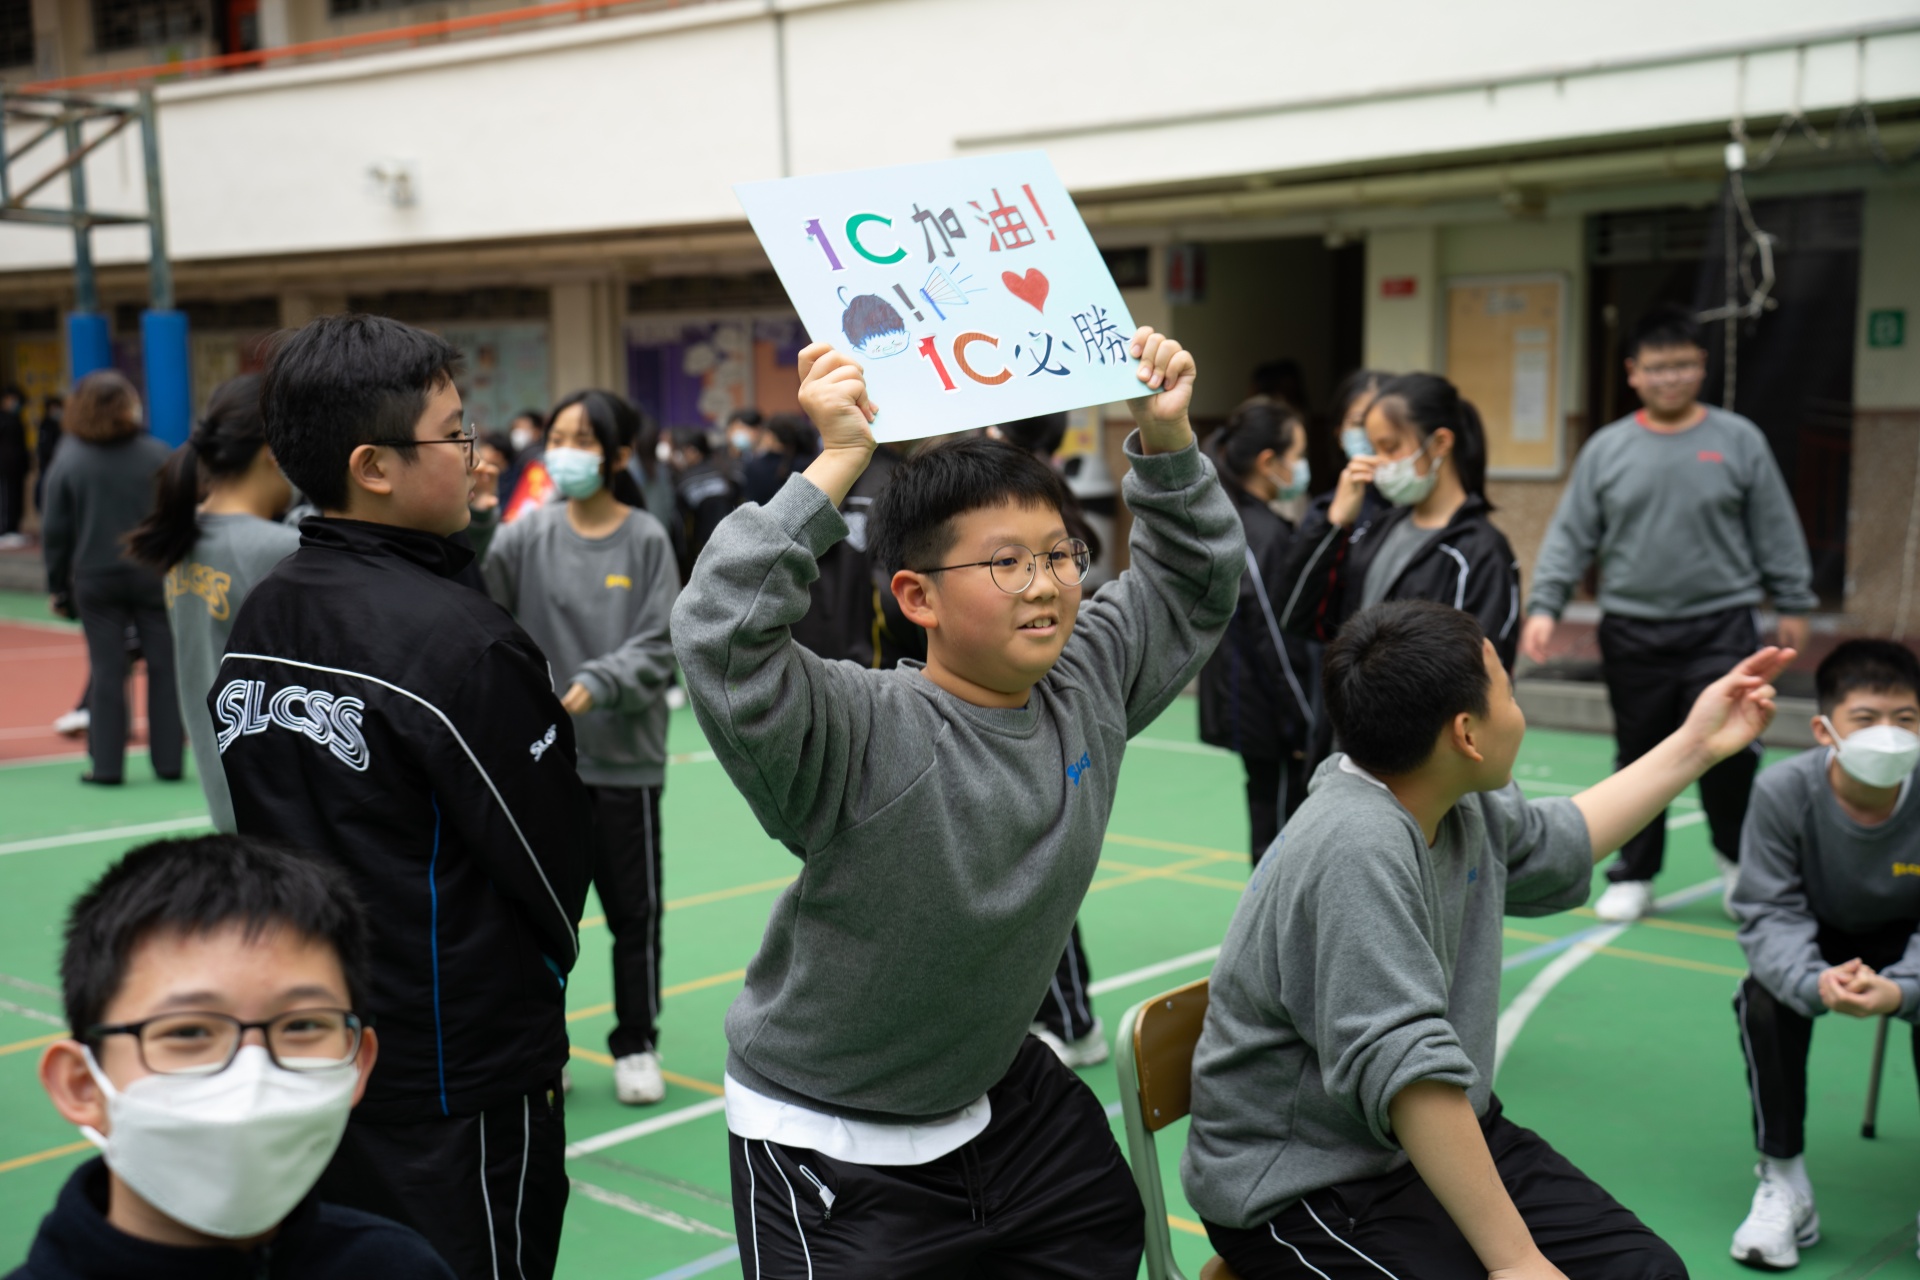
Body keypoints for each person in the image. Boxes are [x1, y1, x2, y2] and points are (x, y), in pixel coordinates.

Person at [672, 328, 1242, 1274]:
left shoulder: (1086, 686)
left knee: (1106, 1219)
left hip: (994, 1097)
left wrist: (1169, 435)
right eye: (1006, 564)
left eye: (1061, 555)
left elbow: (1193, 582)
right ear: (917, 597)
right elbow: (720, 631)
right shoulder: (860, 729)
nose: (1047, 587)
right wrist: (838, 459)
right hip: (830, 1136)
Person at [1183, 599, 1791, 1280]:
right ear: (1467, 734)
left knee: (1647, 1272)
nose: (1518, 712)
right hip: (1307, 1185)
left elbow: (1559, 842)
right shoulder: (1357, 845)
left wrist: (1699, 742)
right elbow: (1407, 1072)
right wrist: (1517, 1260)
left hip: (1430, 1144)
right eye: (1510, 694)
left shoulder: (1451, 797)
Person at [214, 314, 593, 1280]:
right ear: (373, 466)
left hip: (317, 1044)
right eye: (456, 433)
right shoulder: (463, 643)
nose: (478, 455)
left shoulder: (268, 610)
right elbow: (552, 870)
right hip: (454, 1074)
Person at [14, 834, 452, 1279]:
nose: (252, 1076)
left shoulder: (401, 1266)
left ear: (357, 1063)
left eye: (302, 1026)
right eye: (189, 1031)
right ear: (81, 1084)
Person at [1522, 305, 1817, 923]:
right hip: (1632, 627)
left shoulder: (1738, 440)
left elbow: (1775, 526)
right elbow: (1572, 533)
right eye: (1657, 368)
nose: (1670, 378)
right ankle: (1635, 874)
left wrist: (1793, 599)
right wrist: (1546, 604)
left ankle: (1739, 865)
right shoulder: (1608, 449)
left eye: (1682, 365)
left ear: (1701, 365)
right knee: (1640, 752)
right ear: (1633, 373)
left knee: (1731, 748)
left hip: (1722, 623)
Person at [480, 388, 679, 1108]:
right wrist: (477, 515)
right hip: (542, 763)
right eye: (557, 437)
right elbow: (476, 595)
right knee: (539, 917)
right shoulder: (524, 535)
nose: (563, 452)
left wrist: (598, 682)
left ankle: (637, 1043)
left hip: (624, 762)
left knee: (634, 915)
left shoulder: (646, 539)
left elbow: (662, 640)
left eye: (582, 440)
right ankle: (546, 1046)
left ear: (618, 456)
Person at [1727, 639, 1920, 1271]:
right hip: (1815, 934)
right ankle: (1784, 1179)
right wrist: (1812, 979)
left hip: (1908, 939)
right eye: (1866, 719)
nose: (1889, 735)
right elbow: (1767, 909)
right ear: (1824, 729)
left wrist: (1905, 988)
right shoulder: (1783, 790)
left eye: (1906, 719)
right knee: (1763, 997)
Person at [123, 375, 299, 834]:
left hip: (225, 786)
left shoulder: (183, 535)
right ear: (272, 453)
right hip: (282, 796)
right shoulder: (277, 547)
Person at [1278, 372, 1521, 669]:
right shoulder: (1380, 528)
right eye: (1374, 449)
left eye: (1390, 447)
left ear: (1440, 443)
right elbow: (1298, 617)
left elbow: (1476, 676)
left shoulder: (1479, 552)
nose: (1378, 461)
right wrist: (1334, 524)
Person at [40, 370, 182, 787]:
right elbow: (178, 515)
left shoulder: (70, 458)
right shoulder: (158, 453)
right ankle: (169, 762)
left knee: (107, 670)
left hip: (96, 576)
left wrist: (58, 587)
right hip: (152, 572)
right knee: (164, 667)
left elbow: (55, 530)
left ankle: (106, 766)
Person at [1198, 402, 1317, 861]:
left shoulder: (1237, 517)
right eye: (1299, 454)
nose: (1303, 466)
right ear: (1269, 462)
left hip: (1253, 707)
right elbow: (1274, 635)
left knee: (1274, 826)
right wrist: (1304, 722)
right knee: (1283, 840)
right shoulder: (1257, 533)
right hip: (1268, 714)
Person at [670, 426, 735, 579]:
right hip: (732, 545)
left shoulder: (685, 482)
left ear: (692, 451)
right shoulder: (725, 473)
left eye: (681, 451)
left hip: (701, 553)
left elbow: (680, 526)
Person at [0, 382, 28, 544]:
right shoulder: (3, 418)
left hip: (16, 467)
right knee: (6, 498)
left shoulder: (15, 419)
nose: (15, 403)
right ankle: (4, 530)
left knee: (16, 499)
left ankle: (13, 529)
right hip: (4, 467)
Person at [33, 393, 65, 522]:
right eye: (53, 408)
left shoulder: (62, 425)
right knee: (44, 491)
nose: (56, 411)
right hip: (48, 464)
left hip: (58, 464)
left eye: (57, 407)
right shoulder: (46, 425)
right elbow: (43, 447)